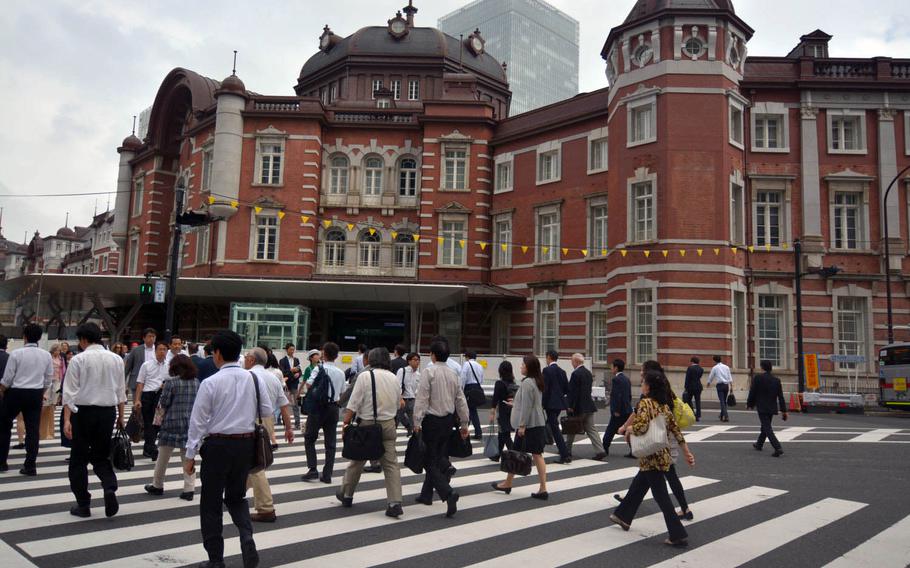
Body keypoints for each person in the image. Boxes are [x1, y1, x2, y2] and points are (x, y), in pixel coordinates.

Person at [184, 330, 273, 568]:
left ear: (218, 353)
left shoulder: (210, 383)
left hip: (217, 446)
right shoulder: (254, 379)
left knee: (211, 503)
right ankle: (246, 535)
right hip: (245, 445)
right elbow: (266, 410)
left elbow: (198, 422)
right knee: (237, 497)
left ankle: (216, 559)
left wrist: (190, 455)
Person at [611, 370, 695, 548]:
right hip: (662, 455)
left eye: (642, 383)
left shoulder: (645, 403)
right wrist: (687, 452)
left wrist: (628, 429)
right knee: (639, 485)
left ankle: (677, 534)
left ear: (648, 387)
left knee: (661, 496)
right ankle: (623, 516)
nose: (641, 385)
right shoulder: (664, 405)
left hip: (650, 456)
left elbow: (640, 428)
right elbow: (676, 431)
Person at [62, 322, 126, 518]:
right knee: (101, 456)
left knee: (78, 459)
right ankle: (109, 487)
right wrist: (121, 417)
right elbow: (121, 391)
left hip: (83, 413)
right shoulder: (116, 359)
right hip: (107, 412)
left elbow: (69, 393)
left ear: (83, 339)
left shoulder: (78, 360)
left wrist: (67, 420)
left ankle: (83, 504)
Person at [337, 347, 404, 518]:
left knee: (357, 461)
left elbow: (354, 402)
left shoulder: (365, 376)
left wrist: (345, 423)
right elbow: (398, 404)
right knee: (391, 464)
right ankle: (394, 502)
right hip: (389, 424)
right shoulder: (394, 377)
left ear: (370, 360)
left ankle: (347, 495)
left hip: (367, 424)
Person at [413, 339, 469, 517]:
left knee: (429, 461)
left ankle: (447, 492)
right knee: (437, 457)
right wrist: (464, 423)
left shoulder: (428, 372)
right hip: (448, 422)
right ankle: (426, 495)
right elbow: (461, 400)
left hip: (432, 421)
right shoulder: (454, 374)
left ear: (433, 355)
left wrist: (417, 422)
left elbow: (422, 399)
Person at [245, 347, 293, 522]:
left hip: (251, 421)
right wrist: (288, 428)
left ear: (251, 359)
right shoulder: (273, 378)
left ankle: (265, 507)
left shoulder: (247, 376)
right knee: (255, 461)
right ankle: (236, 493)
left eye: (246, 357)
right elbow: (283, 405)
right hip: (268, 421)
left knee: (256, 465)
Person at [0, 324, 55, 476]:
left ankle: (2, 462)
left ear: (24, 336)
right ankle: (30, 465)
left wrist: (2, 389)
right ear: (39, 337)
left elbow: (8, 377)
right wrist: (41, 391)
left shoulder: (16, 353)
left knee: (4, 425)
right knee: (32, 429)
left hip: (16, 392)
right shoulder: (46, 355)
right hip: (35, 393)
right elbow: (48, 378)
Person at [492, 355, 548, 499]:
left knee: (534, 454)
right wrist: (515, 404)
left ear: (529, 367)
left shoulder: (528, 382)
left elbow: (527, 406)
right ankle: (508, 483)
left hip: (529, 425)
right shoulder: (537, 381)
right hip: (536, 422)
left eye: (523, 365)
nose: (521, 367)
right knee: (519, 453)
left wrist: (522, 425)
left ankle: (542, 488)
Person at [145, 354, 199, 500]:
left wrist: (157, 421)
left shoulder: (171, 383)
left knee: (163, 457)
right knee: (188, 457)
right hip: (189, 424)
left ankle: (157, 485)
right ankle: (189, 489)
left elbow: (164, 403)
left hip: (171, 423)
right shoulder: (196, 382)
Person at [302, 342, 345, 484]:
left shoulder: (318, 369)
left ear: (324, 355)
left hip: (318, 408)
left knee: (310, 438)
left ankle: (313, 469)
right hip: (333, 408)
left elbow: (308, 384)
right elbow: (342, 392)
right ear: (336, 356)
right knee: (330, 443)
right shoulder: (340, 373)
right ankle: (327, 475)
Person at [566, 353, 607, 460]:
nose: (571, 363)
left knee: (571, 427)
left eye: (572, 361)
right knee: (591, 429)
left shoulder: (575, 374)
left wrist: (570, 405)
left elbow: (573, 392)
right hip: (589, 405)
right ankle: (600, 450)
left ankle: (567, 449)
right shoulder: (588, 373)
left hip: (579, 406)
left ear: (576, 361)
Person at [133, 342, 169, 460]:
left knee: (157, 423)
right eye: (160, 349)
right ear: (155, 351)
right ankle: (151, 448)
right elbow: (140, 382)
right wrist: (137, 399)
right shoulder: (146, 365)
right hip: (148, 395)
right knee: (149, 422)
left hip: (161, 396)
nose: (162, 351)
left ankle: (148, 448)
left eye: (164, 349)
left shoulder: (169, 365)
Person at [747, 360, 788, 457]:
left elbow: (753, 392)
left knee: (767, 428)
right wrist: (784, 411)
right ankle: (759, 444)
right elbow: (780, 397)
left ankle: (777, 447)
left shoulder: (758, 378)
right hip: (772, 407)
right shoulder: (776, 380)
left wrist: (749, 404)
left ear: (762, 367)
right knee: (765, 426)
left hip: (762, 406)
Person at [542, 350, 571, 464]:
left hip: (550, 403)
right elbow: (566, 389)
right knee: (551, 425)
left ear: (549, 357)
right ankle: (563, 452)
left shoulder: (547, 370)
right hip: (559, 403)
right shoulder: (562, 371)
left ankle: (565, 454)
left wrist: (542, 403)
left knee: (553, 427)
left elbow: (545, 389)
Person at [603, 359, 633, 457]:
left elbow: (616, 396)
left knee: (610, 430)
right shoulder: (626, 379)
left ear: (616, 368)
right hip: (627, 409)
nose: (611, 368)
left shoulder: (616, 379)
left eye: (612, 366)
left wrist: (616, 410)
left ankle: (604, 448)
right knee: (627, 430)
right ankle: (634, 450)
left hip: (619, 411)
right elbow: (628, 395)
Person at [489, 360, 517, 459]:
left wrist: (492, 412)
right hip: (512, 411)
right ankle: (497, 454)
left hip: (503, 411)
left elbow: (495, 399)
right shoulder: (513, 383)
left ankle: (516, 455)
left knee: (505, 434)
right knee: (502, 432)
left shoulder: (499, 383)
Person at [124, 328, 157, 400]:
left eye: (153, 336)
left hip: (154, 383)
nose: (151, 338)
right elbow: (128, 368)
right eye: (149, 336)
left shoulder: (158, 350)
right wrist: (123, 382)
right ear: (144, 338)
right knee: (137, 406)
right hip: (137, 382)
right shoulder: (136, 350)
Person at [460, 350, 485, 440]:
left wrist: (461, 389)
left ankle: (477, 432)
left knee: (470, 410)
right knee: (471, 410)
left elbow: (463, 377)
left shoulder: (467, 364)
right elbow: (481, 379)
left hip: (469, 388)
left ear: (467, 357)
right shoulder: (480, 366)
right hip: (477, 387)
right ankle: (469, 430)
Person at [396, 352, 420, 435]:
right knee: (396, 420)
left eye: (418, 360)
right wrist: (400, 398)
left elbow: (418, 389)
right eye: (415, 360)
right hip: (402, 399)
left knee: (415, 423)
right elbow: (398, 385)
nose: (417, 362)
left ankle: (416, 442)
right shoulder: (402, 371)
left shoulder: (418, 375)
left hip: (412, 400)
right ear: (409, 361)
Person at [279, 343, 302, 429]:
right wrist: (291, 371)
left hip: (294, 384)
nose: (292, 351)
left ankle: (297, 422)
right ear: (287, 350)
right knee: (285, 404)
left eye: (293, 349)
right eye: (290, 349)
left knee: (295, 404)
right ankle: (285, 422)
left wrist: (298, 374)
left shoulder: (296, 360)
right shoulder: (282, 361)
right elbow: (283, 373)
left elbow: (300, 371)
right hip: (286, 385)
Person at [706, 355, 733, 422]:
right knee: (724, 401)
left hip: (720, 385)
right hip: (726, 385)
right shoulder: (726, 367)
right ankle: (721, 415)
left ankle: (726, 416)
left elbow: (711, 376)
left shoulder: (715, 368)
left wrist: (708, 383)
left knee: (722, 401)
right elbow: (730, 376)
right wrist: (731, 386)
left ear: (714, 361)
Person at [683, 357, 704, 421]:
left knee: (688, 400)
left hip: (690, 387)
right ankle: (698, 415)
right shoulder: (701, 369)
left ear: (692, 361)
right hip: (698, 386)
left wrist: (685, 387)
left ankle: (692, 413)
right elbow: (699, 377)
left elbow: (687, 378)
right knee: (698, 401)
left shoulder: (690, 368)